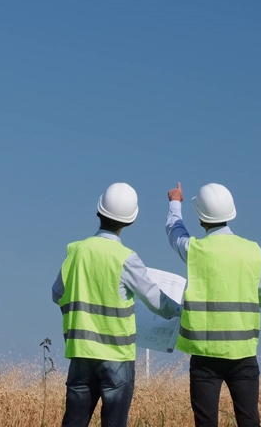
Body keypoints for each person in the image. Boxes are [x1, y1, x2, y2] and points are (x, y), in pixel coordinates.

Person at [53, 182, 182, 427]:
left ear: (98, 211)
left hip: (81, 352)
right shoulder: (126, 258)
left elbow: (56, 293)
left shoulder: (76, 251)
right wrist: (179, 310)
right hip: (116, 355)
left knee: (74, 421)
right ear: (130, 221)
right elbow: (156, 301)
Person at [166, 182, 261, 427]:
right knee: (248, 419)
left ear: (201, 217)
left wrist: (175, 202)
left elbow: (174, 231)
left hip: (204, 355)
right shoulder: (252, 251)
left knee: (205, 422)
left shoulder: (195, 250)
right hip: (244, 354)